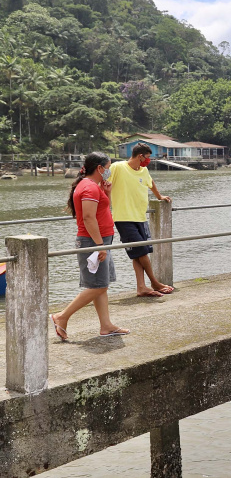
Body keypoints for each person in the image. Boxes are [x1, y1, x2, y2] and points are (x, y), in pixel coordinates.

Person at [50, 152, 129, 341]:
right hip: (94, 241)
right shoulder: (88, 187)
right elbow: (87, 218)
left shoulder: (93, 186)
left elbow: (99, 212)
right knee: (97, 286)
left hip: (100, 240)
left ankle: (106, 325)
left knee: (101, 285)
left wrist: (106, 193)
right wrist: (100, 245)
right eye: (108, 168)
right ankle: (61, 316)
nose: (109, 172)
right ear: (100, 168)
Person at [108, 142, 174, 296]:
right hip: (123, 218)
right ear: (140, 156)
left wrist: (160, 196)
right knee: (142, 252)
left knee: (137, 254)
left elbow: (151, 184)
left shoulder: (143, 170)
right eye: (147, 157)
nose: (148, 161)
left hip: (140, 217)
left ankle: (141, 287)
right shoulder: (118, 167)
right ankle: (154, 282)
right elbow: (102, 181)